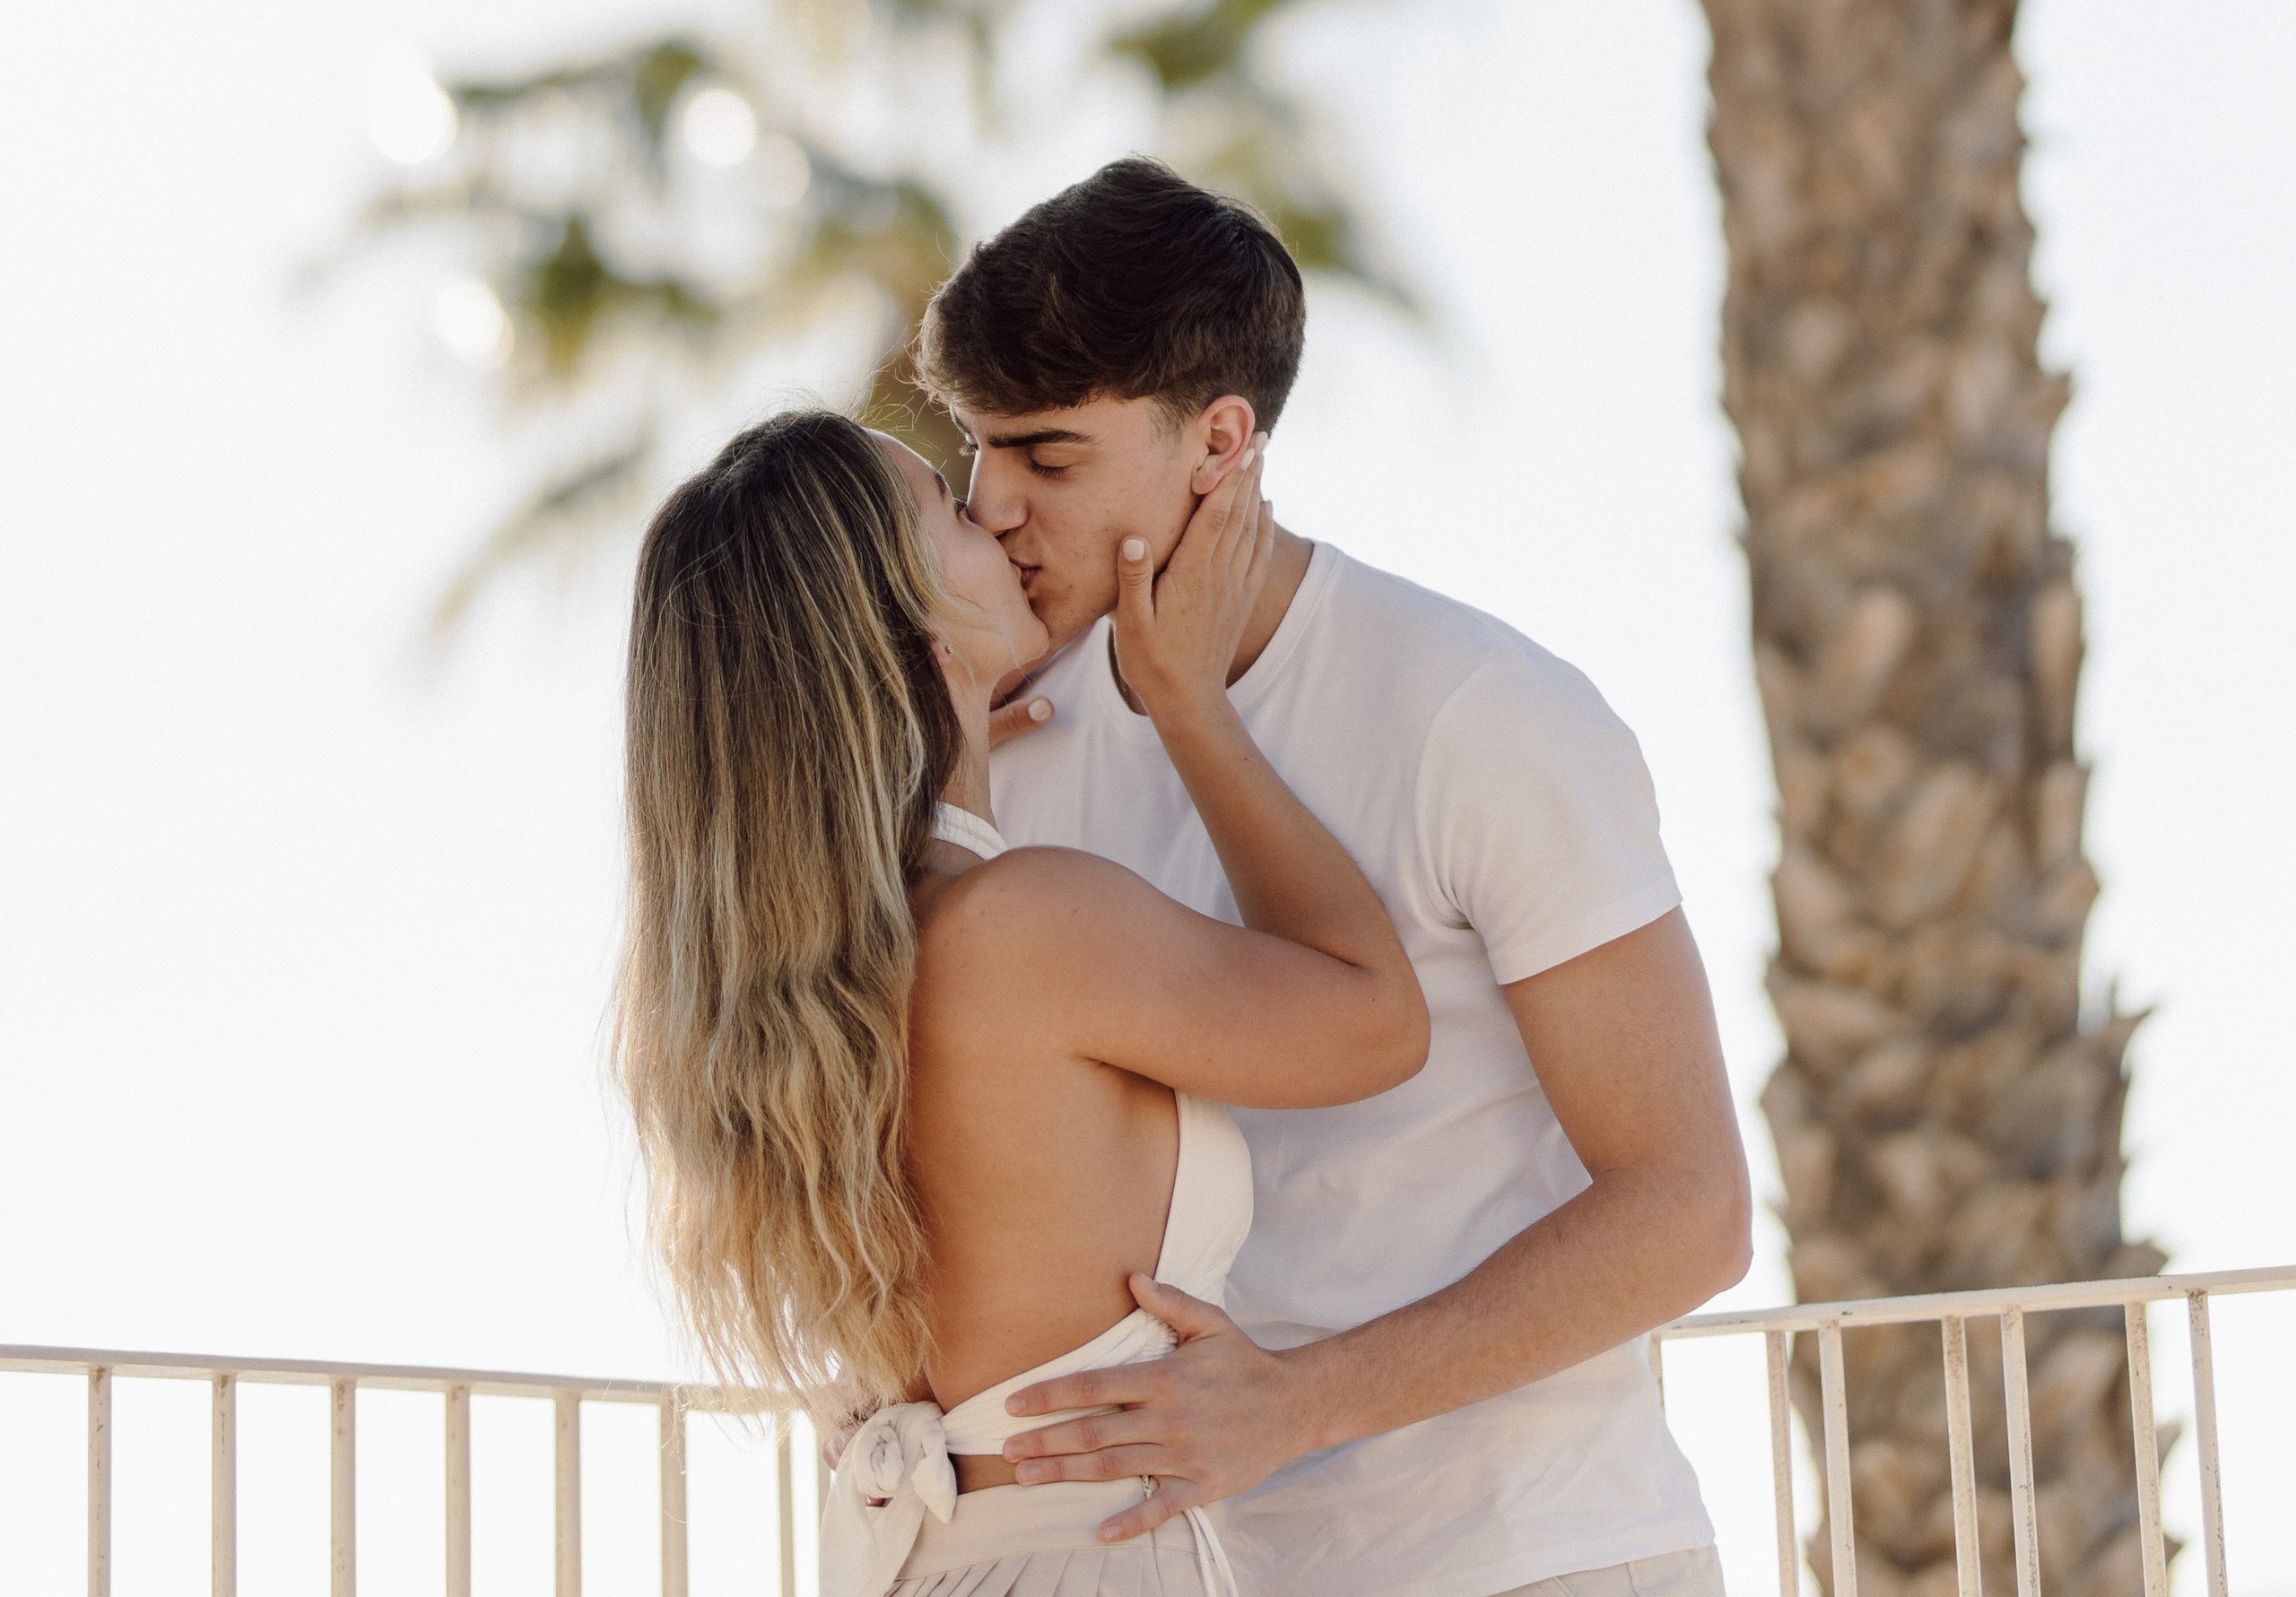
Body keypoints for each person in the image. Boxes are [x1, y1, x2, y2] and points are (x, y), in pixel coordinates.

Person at [921, 155, 1753, 1597]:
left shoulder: (1480, 712)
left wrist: (1298, 1406)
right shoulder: (1023, 749)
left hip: (1533, 1555)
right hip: (1204, 1569)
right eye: (977, 451)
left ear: (1218, 442)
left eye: (1049, 460)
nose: (992, 506)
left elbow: (1689, 1209)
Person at [611, 402, 1428, 1597]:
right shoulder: (1027, 928)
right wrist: (1189, 703)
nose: (995, 513)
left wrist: (940, 765)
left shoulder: (809, 988)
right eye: (950, 508)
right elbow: (1377, 1020)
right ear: (906, 621)